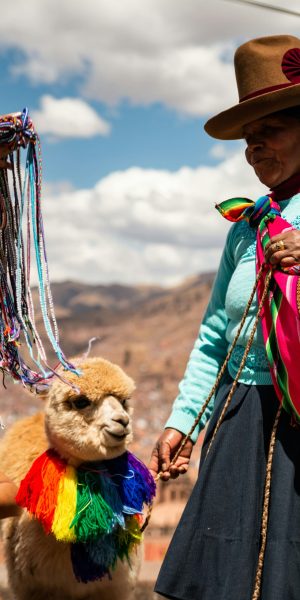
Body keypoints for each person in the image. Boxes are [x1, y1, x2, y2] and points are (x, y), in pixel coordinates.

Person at [150, 35, 300, 600]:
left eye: (271, 131)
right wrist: (184, 420)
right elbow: (217, 331)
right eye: (249, 138)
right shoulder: (248, 226)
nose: (255, 149)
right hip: (241, 421)